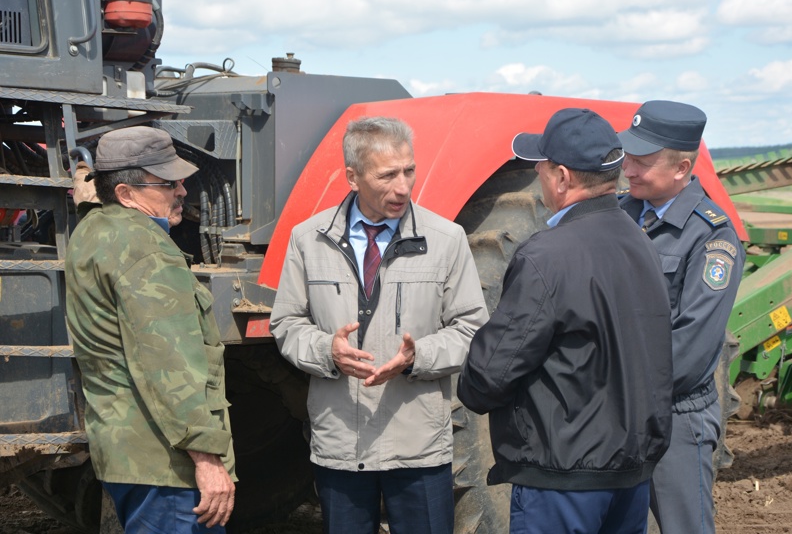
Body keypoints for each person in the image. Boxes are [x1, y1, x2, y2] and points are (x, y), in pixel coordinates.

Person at [457, 108, 674, 534]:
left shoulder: (546, 257)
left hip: (562, 480)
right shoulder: (643, 244)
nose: (538, 176)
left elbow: (490, 375)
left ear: (561, 178)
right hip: (630, 476)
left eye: (540, 166)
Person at [270, 116, 488, 534]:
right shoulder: (308, 239)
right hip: (340, 444)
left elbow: (472, 329)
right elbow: (286, 323)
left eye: (409, 170)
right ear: (352, 176)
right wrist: (326, 351)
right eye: (387, 175)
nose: (403, 187)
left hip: (419, 447)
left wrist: (417, 356)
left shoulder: (447, 239)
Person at [65, 127, 236, 533]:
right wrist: (208, 460)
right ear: (125, 193)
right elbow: (168, 363)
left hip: (130, 454)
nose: (182, 191)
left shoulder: (96, 229)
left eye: (180, 180)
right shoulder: (145, 248)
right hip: (168, 465)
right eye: (168, 183)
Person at [618, 100, 745, 534]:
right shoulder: (619, 215)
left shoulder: (711, 236)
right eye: (627, 157)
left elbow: (691, 345)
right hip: (617, 411)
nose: (628, 169)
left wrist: (613, 388)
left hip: (674, 418)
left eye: (642, 161)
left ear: (681, 168)